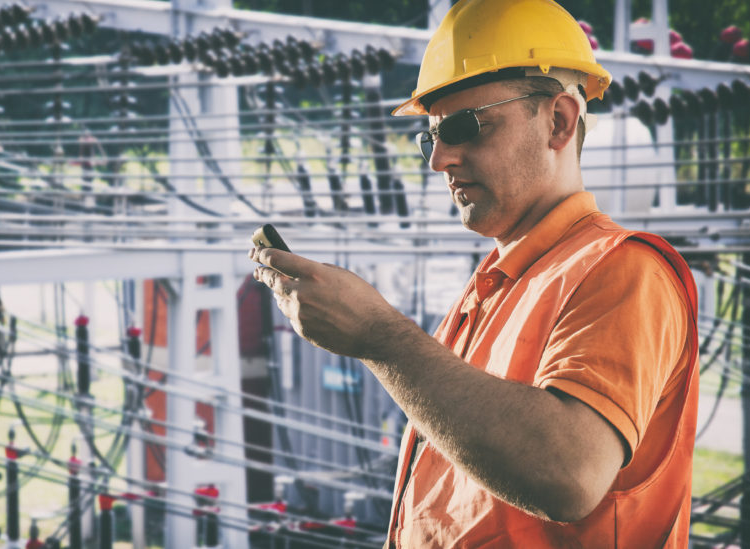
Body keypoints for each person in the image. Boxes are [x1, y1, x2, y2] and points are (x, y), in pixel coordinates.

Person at [249, 0, 699, 546]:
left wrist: (379, 340)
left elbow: (568, 473)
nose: (440, 159)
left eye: (465, 127)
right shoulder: (496, 286)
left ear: (558, 121)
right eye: (430, 137)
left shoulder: (623, 270)